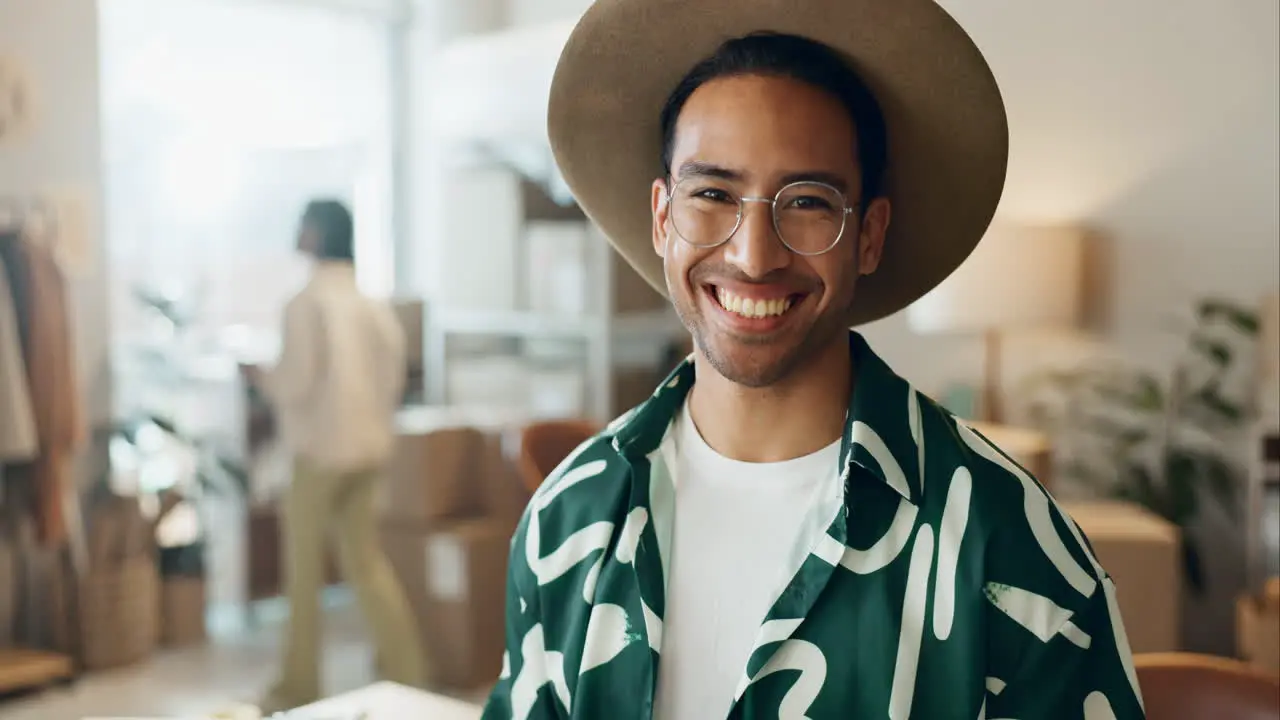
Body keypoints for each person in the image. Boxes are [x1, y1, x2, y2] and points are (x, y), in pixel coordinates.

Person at [483, 1, 1146, 718]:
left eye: (808, 202)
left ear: (869, 235)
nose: (753, 254)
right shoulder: (568, 518)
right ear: (661, 218)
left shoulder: (1006, 547)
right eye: (711, 193)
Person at [251, 199, 425, 712]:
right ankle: (406, 669)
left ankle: (298, 684)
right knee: (365, 563)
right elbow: (394, 374)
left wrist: (262, 378)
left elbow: (297, 381)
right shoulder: (370, 303)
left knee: (302, 573)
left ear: (317, 233)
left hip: (319, 453)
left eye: (303, 222)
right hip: (368, 447)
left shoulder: (304, 303)